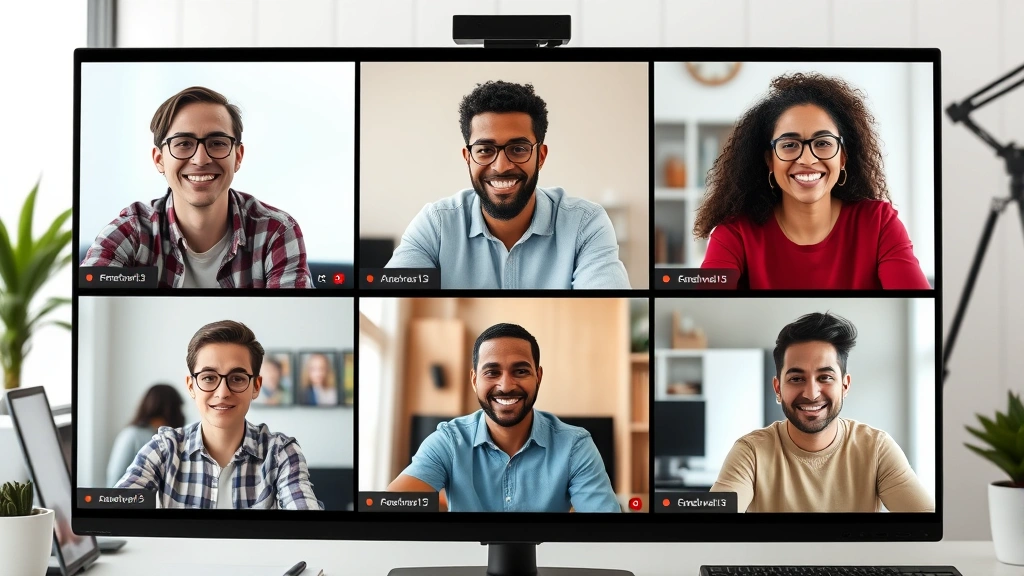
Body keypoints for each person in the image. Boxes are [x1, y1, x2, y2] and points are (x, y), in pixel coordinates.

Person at [385, 80, 631, 289]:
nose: (501, 166)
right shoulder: (435, 224)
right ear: (468, 157)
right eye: (485, 150)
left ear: (541, 156)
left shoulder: (585, 224)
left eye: (518, 149)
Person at [694, 73, 930, 290]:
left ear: (843, 158)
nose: (807, 159)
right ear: (770, 161)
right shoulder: (734, 234)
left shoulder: (879, 223)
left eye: (823, 143)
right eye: (789, 145)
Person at [81, 86, 313, 288]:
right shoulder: (130, 233)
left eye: (217, 143)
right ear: (159, 159)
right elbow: (90, 308)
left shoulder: (277, 231)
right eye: (183, 144)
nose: (201, 159)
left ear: (238, 156)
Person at [709, 312, 934, 513]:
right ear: (778, 388)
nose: (811, 393)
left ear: (845, 386)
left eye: (825, 377)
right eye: (796, 379)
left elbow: (928, 524)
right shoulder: (751, 452)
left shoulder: (876, 448)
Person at [387, 323, 621, 512]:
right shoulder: (448, 440)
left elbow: (606, 532)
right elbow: (390, 506)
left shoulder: (575, 445)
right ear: (474, 379)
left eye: (521, 371)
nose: (506, 385)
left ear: (538, 376)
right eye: (492, 372)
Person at [115, 320, 322, 509]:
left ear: (256, 386)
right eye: (208, 378)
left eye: (237, 378)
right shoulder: (163, 449)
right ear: (191, 386)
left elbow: (308, 525)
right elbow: (114, 513)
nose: (222, 393)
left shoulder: (280, 453)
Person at [106, 383, 186, 487]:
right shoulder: (132, 435)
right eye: (178, 407)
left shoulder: (173, 439)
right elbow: (115, 478)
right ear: (170, 408)